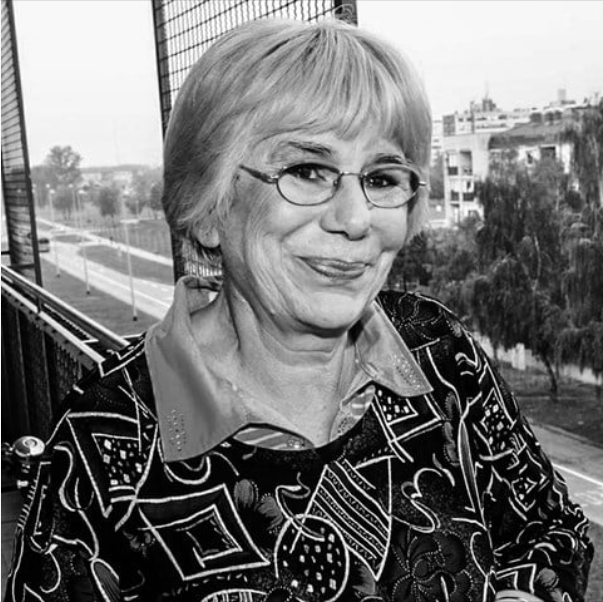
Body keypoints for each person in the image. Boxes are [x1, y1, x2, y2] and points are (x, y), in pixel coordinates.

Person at [5, 17, 593, 602]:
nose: (356, 219)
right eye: (307, 171)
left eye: (382, 178)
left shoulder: (435, 348)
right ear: (208, 208)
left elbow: (551, 530)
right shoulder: (106, 434)